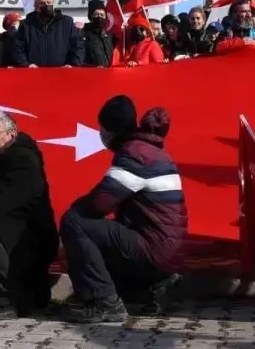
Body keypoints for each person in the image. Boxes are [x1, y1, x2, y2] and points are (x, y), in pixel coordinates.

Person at [59, 96, 187, 324]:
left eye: (102, 129)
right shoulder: (150, 150)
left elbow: (101, 202)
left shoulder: (135, 155)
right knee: (101, 257)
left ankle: (105, 303)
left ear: (111, 131)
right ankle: (156, 286)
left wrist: (74, 213)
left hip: (154, 247)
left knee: (73, 221)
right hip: (165, 248)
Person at [0, 111, 57, 320]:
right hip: (16, 238)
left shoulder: (23, 160)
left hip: (32, 243)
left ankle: (7, 300)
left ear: (11, 135)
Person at [10, 0, 84, 68]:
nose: (46, 5)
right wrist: (26, 65)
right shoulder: (26, 24)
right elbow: (18, 48)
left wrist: (73, 65)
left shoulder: (67, 23)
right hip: (33, 73)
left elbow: (78, 46)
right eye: (42, 3)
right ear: (35, 7)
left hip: (61, 73)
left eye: (48, 2)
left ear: (53, 5)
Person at [81, 0, 115, 68]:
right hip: (92, 75)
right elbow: (80, 59)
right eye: (96, 14)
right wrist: (93, 67)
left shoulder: (110, 36)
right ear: (90, 17)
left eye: (102, 15)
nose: (99, 17)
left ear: (106, 17)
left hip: (110, 75)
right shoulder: (82, 35)